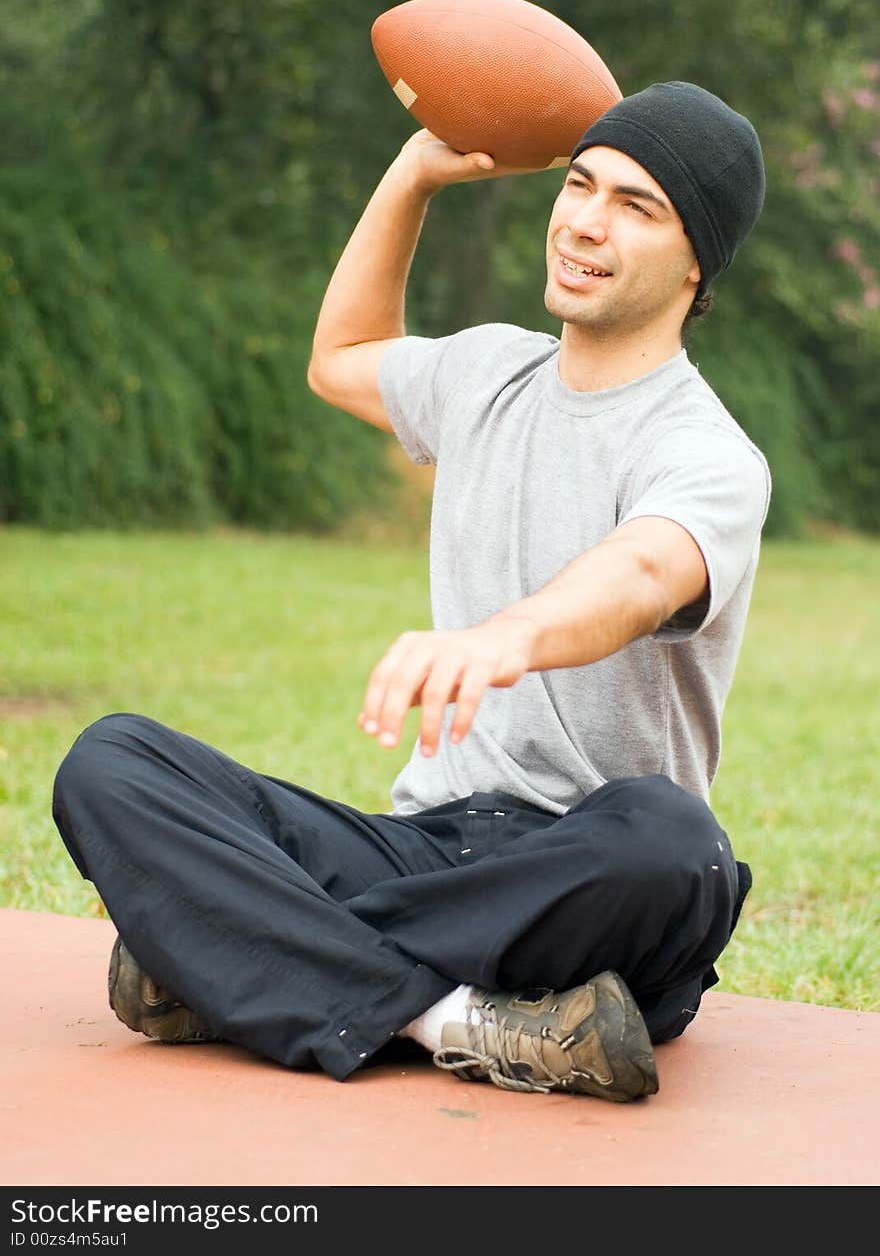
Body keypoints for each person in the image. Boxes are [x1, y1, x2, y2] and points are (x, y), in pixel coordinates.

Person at [53, 80, 770, 1104]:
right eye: (580, 184)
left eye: (635, 205)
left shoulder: (706, 451)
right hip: (427, 854)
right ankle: (454, 1019)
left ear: (697, 258)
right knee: (109, 760)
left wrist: (506, 636)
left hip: (585, 874)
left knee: (679, 848)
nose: (583, 221)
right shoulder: (486, 373)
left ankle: (234, 967)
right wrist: (413, 174)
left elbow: (649, 565)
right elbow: (338, 356)